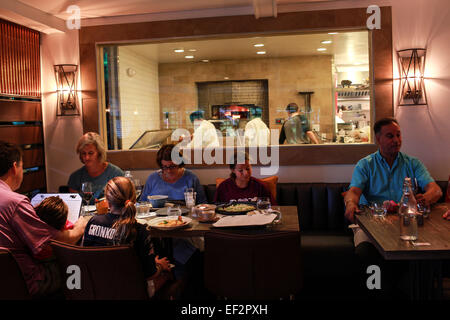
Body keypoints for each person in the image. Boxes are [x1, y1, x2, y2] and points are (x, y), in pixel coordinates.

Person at [343, 118, 442, 296]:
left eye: (398, 135)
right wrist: (350, 204)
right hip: (371, 222)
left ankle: (414, 292)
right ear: (378, 139)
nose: (396, 140)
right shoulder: (365, 164)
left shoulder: (413, 163)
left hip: (405, 221)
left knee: (425, 253)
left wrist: (426, 198)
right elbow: (354, 192)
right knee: (365, 252)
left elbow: (435, 190)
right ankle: (376, 290)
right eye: (390, 136)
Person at [0, 141, 87, 297]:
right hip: (24, 281)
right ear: (14, 167)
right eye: (22, 166)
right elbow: (49, 245)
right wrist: (80, 227)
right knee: (76, 267)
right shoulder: (14, 202)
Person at [82, 176, 172, 298]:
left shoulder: (93, 222)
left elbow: (87, 260)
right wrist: (160, 265)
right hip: (132, 292)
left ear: (107, 200)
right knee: (169, 274)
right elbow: (150, 275)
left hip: (98, 289)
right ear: (134, 199)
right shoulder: (139, 230)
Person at [141, 143, 207, 204]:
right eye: (165, 167)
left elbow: (202, 204)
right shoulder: (153, 178)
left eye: (172, 166)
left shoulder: (191, 178)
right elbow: (142, 203)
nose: (169, 171)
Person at [68, 132, 124, 203]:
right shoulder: (75, 177)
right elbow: (74, 205)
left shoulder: (116, 174)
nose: (87, 157)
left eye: (90, 153)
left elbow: (121, 203)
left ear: (99, 153)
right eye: (83, 153)